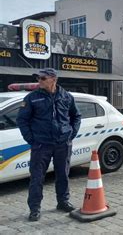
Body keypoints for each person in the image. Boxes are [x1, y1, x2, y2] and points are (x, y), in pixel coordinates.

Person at [16, 68, 81, 222]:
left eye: (43, 78)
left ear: (53, 79)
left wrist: (70, 134)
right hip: (41, 145)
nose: (39, 81)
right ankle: (35, 209)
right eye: (38, 78)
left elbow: (76, 116)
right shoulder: (32, 98)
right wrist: (31, 139)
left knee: (63, 174)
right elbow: (21, 120)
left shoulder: (67, 97)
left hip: (62, 144)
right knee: (37, 178)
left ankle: (63, 202)